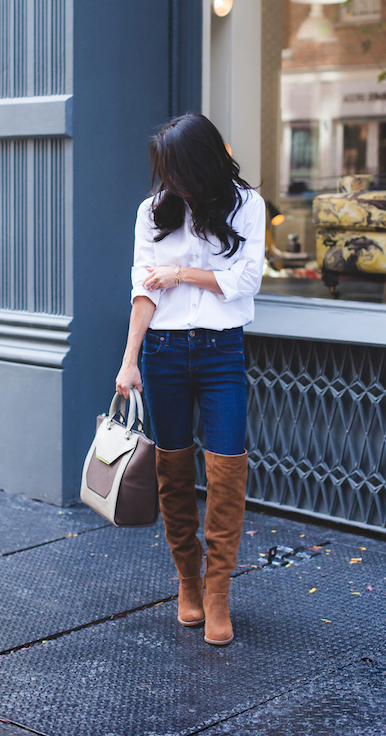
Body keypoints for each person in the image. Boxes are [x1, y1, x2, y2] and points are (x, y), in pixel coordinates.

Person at [116, 113, 265, 646]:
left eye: (177, 170)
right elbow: (143, 291)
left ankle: (219, 589)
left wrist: (181, 273)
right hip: (162, 351)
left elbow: (246, 280)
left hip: (222, 350)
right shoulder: (153, 211)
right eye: (165, 172)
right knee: (173, 470)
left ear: (201, 164)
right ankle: (188, 583)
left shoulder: (246, 205)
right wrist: (129, 360)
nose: (169, 182)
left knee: (227, 468)